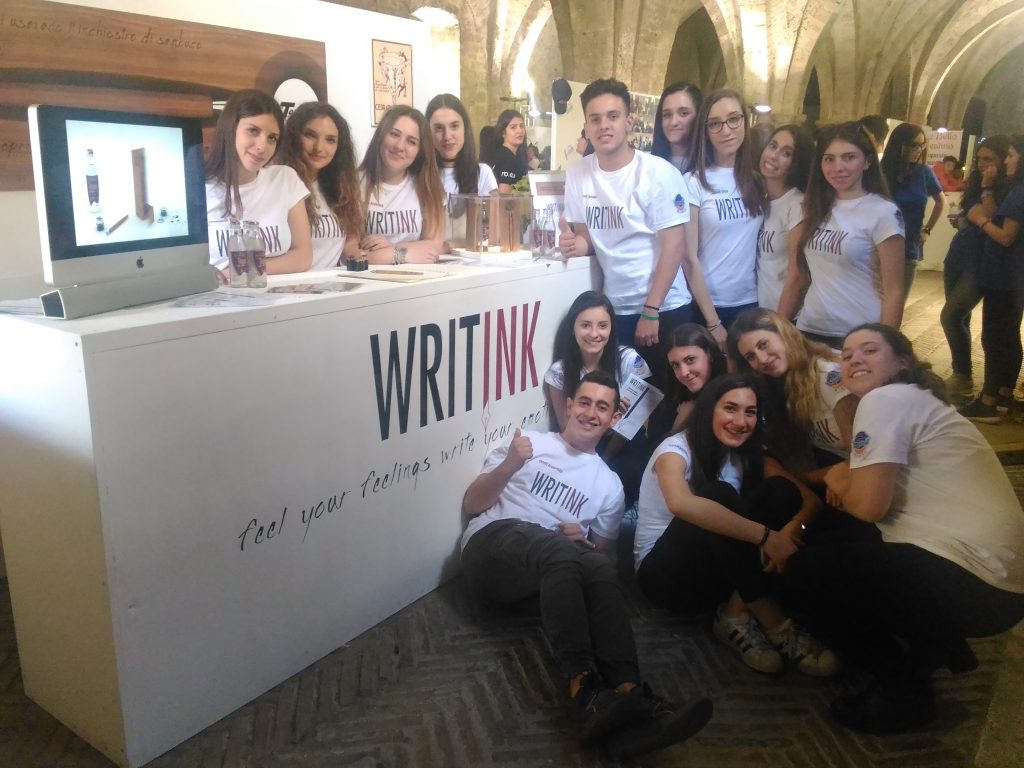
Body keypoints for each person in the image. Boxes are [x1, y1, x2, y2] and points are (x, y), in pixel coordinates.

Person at [784, 324, 1024, 733]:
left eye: (870, 350)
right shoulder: (912, 398)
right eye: (848, 354)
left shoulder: (885, 400)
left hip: (978, 582)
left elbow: (867, 505)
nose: (855, 359)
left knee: (807, 571)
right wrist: (841, 478)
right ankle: (934, 645)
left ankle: (901, 692)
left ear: (902, 362)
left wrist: (839, 478)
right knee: (830, 539)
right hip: (995, 577)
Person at [461, 371, 714, 759]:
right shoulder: (529, 444)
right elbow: (472, 504)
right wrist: (509, 464)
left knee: (595, 566)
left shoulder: (608, 484)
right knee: (561, 552)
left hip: (541, 583)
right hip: (491, 548)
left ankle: (630, 696)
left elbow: (602, 558)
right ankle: (584, 691)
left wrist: (585, 541)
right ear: (568, 405)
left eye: (602, 407)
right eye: (584, 402)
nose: (590, 413)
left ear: (615, 418)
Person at [633, 373, 837, 676]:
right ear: (709, 410)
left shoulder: (749, 455)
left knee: (781, 492)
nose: (741, 421)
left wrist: (793, 528)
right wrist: (767, 537)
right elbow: (680, 503)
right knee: (718, 494)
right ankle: (773, 619)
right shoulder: (675, 449)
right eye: (730, 408)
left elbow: (809, 500)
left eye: (750, 412)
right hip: (666, 578)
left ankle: (734, 614)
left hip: (721, 575)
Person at [559, 78, 720, 387]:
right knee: (622, 399)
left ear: (629, 122)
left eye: (613, 116)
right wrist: (574, 244)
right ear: (586, 127)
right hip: (614, 307)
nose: (604, 126)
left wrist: (651, 310)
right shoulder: (578, 173)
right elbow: (587, 238)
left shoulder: (659, 173)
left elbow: (674, 247)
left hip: (664, 308)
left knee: (667, 396)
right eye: (595, 119)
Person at [778, 121, 906, 345]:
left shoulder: (883, 212)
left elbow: (893, 290)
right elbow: (798, 274)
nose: (838, 167)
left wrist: (885, 345)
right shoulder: (812, 207)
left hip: (858, 333)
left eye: (849, 157)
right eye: (829, 159)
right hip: (810, 327)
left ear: (867, 161)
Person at [543, 291, 652, 505]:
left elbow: (632, 424)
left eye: (603, 326)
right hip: (582, 443)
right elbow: (567, 429)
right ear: (573, 328)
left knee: (624, 479)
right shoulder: (559, 372)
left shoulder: (629, 361)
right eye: (585, 325)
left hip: (623, 442)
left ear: (611, 328)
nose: (594, 334)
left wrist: (604, 460)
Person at [729, 308, 857, 483]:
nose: (762, 359)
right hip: (833, 468)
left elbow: (862, 461)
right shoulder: (781, 383)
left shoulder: (828, 377)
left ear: (784, 334)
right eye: (751, 356)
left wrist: (804, 479)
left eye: (763, 345)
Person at [683, 89, 768, 330]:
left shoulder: (756, 180)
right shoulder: (693, 181)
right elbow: (688, 257)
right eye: (715, 124)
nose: (726, 130)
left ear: (745, 122)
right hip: (709, 305)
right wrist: (713, 322)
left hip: (751, 300)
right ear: (705, 131)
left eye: (733, 119)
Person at [205, 89, 312, 275]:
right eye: (253, 131)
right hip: (216, 293)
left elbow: (303, 257)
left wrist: (241, 270)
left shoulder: (285, 178)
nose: (262, 146)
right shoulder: (197, 188)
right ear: (230, 129)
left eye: (272, 138)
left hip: (280, 291)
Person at [940, 135, 1012, 402]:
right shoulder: (975, 183)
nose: (982, 164)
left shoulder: (1006, 188)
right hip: (958, 256)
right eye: (979, 159)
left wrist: (987, 187)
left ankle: (962, 374)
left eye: (988, 159)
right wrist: (962, 218)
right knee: (961, 318)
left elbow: (993, 217)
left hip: (981, 263)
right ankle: (963, 376)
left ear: (1002, 160)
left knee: (951, 315)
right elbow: (972, 214)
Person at [959, 134, 1024, 422]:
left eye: (1011, 155)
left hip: (1004, 275)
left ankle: (988, 402)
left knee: (995, 336)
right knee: (1007, 335)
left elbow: (1006, 236)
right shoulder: (1014, 190)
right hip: (1011, 276)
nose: (1007, 161)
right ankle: (1002, 395)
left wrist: (980, 220)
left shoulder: (1019, 191)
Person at [359, 105, 446, 265]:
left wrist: (393, 249)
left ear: (420, 150)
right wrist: (407, 252)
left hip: (415, 278)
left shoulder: (428, 187)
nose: (399, 146)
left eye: (411, 142)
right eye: (394, 134)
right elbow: (350, 254)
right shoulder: (354, 183)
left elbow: (432, 248)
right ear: (381, 135)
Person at [280, 102, 362, 270]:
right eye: (310, 135)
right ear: (294, 137)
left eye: (330, 140)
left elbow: (350, 238)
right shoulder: (281, 184)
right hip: (291, 284)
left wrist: (354, 251)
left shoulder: (341, 187)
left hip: (332, 283)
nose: (319, 147)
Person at [880, 123, 944, 293]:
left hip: (909, 247)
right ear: (900, 144)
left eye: (922, 145)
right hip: (879, 247)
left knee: (897, 302)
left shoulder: (924, 173)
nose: (918, 150)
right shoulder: (881, 173)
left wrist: (927, 229)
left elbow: (940, 202)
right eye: (914, 145)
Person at [756, 125, 813, 311]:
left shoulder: (797, 205)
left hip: (785, 314)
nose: (773, 156)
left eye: (786, 153)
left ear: (796, 162)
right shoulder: (758, 198)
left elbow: (798, 275)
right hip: (758, 310)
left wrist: (780, 321)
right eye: (772, 146)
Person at [658, 323, 728, 437]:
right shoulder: (678, 394)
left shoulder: (731, 390)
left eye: (690, 360)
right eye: (675, 365)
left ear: (709, 354)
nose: (683, 373)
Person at [426, 93, 498, 198]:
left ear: (465, 128)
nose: (447, 136)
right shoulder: (418, 176)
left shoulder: (482, 173)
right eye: (439, 128)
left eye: (454, 126)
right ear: (427, 132)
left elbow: (494, 208)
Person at [650, 82, 702, 174]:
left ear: (698, 115)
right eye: (667, 115)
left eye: (684, 113)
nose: (673, 122)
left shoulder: (711, 168)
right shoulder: (649, 166)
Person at [491, 109, 529, 192]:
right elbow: (504, 195)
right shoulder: (505, 158)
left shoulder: (514, 156)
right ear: (503, 133)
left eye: (521, 126)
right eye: (513, 127)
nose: (519, 130)